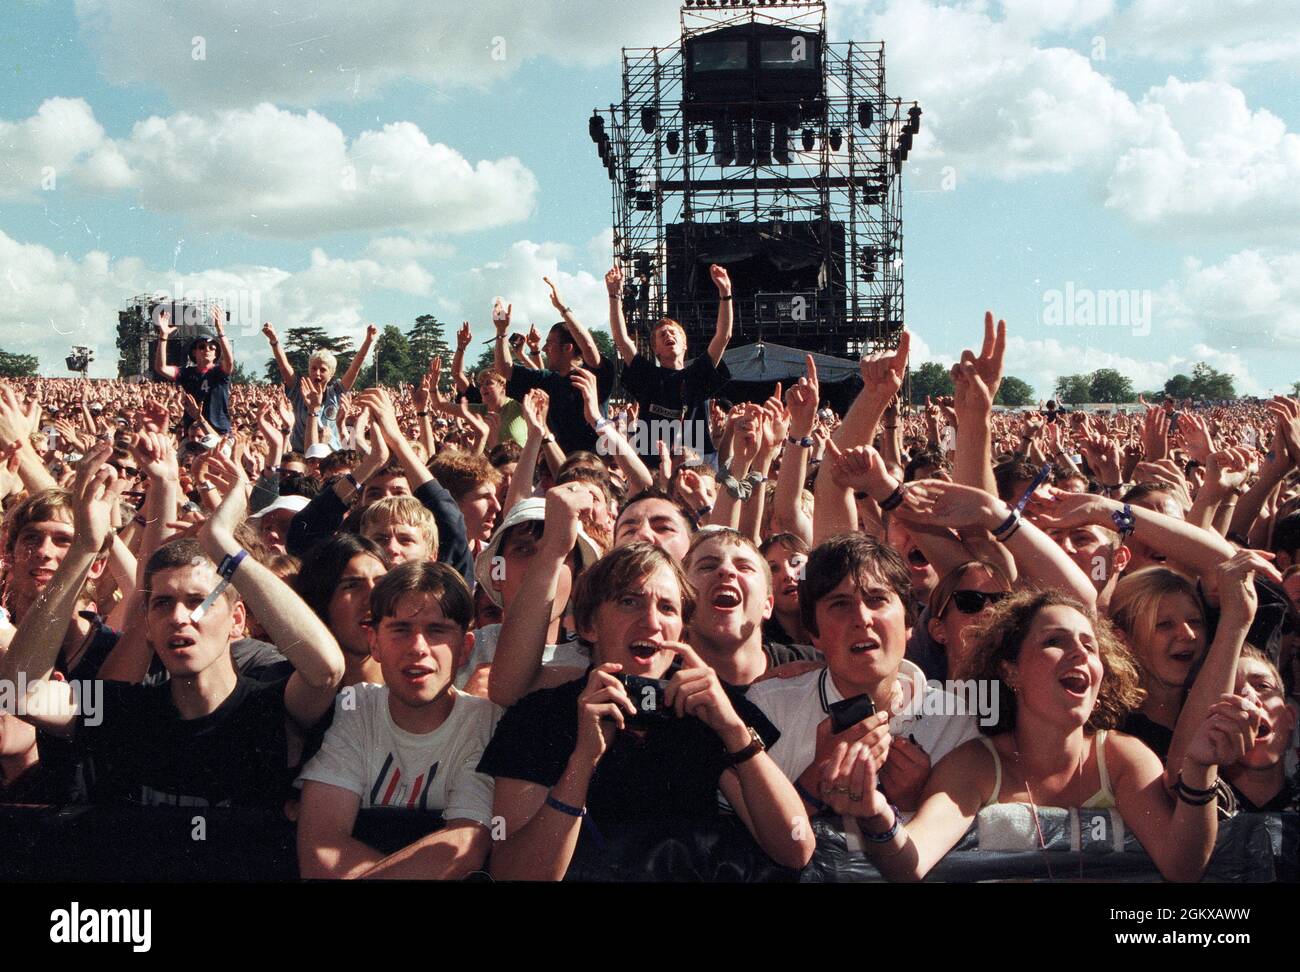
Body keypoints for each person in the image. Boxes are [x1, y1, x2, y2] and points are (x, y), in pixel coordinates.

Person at [0, 446, 345, 810]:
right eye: (163, 604)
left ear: (238, 620)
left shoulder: (270, 706)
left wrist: (222, 543)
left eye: (198, 601)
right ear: (147, 625)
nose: (180, 617)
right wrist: (83, 549)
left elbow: (326, 670)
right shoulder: (125, 712)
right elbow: (21, 693)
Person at [837, 589, 1260, 882]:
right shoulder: (977, 764)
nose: (1079, 653)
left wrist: (1200, 771)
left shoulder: (1123, 758)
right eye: (1055, 641)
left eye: (1090, 646)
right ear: (1011, 670)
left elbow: (1182, 868)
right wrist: (876, 814)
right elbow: (911, 863)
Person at [477, 541, 815, 879]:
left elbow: (795, 848)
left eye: (668, 608)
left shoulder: (704, 709)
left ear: (682, 630)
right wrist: (582, 761)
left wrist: (734, 731)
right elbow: (514, 873)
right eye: (629, 602)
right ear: (588, 625)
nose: (651, 621)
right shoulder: (538, 717)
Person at [747, 534, 981, 816]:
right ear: (814, 634)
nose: (862, 618)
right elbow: (747, 838)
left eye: (877, 599)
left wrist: (919, 802)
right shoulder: (769, 706)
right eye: (840, 604)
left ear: (909, 623)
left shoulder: (955, 720)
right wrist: (814, 780)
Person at [296, 562, 498, 879]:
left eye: (437, 631)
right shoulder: (356, 707)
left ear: (464, 649)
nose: (418, 647)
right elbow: (320, 846)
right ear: (374, 642)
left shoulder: (484, 721)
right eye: (401, 629)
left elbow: (464, 846)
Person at [606, 261, 733, 465]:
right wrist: (614, 296)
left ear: (684, 345)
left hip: (697, 464)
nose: (668, 334)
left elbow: (723, 336)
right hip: (653, 464)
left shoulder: (697, 373)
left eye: (673, 332)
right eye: (661, 334)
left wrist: (725, 292)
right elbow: (621, 339)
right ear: (656, 350)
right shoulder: (648, 375)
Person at [493, 284, 615, 455]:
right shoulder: (547, 380)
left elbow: (588, 347)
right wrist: (501, 332)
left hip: (593, 466)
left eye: (550, 343)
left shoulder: (592, 375)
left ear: (568, 348)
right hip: (558, 467)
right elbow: (504, 369)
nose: (544, 349)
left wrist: (562, 308)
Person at [263, 321, 376, 453]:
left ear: (331, 373)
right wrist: (274, 341)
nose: (317, 373)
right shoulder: (299, 391)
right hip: (301, 455)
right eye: (313, 368)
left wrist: (368, 341)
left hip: (331, 455)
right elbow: (283, 366)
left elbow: (355, 368)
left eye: (323, 370)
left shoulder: (336, 393)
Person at [153, 304, 233, 435]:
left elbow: (229, 361)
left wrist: (220, 331)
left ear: (216, 353)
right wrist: (163, 337)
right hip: (192, 433)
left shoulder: (220, 373)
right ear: (194, 352)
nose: (207, 349)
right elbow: (161, 368)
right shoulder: (187, 373)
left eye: (212, 347)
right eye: (202, 346)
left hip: (219, 433)